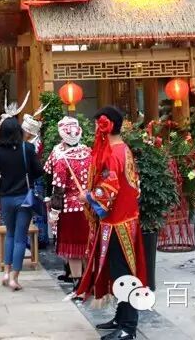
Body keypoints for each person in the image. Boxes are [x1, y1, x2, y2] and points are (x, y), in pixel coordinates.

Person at [76, 106, 148, 340]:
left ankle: (128, 327)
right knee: (121, 272)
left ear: (104, 126)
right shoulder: (122, 148)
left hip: (118, 223)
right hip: (124, 219)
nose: (95, 129)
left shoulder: (113, 154)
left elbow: (108, 190)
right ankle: (121, 317)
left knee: (123, 274)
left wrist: (87, 196)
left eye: (97, 124)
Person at [0, 116, 42, 291]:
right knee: (20, 238)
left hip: (6, 198)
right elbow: (38, 171)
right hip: (24, 198)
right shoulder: (27, 148)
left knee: (10, 235)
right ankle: (14, 277)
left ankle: (6, 272)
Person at [44, 116, 92, 286]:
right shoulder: (89, 153)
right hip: (89, 207)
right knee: (87, 247)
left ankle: (77, 283)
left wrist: (54, 213)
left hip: (69, 209)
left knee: (73, 250)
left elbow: (58, 189)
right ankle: (89, 281)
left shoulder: (61, 158)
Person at [21, 105, 49, 248]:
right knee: (36, 209)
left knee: (34, 209)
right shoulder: (35, 143)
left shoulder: (32, 145)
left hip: (33, 180)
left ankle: (36, 239)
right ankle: (39, 238)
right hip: (34, 180)